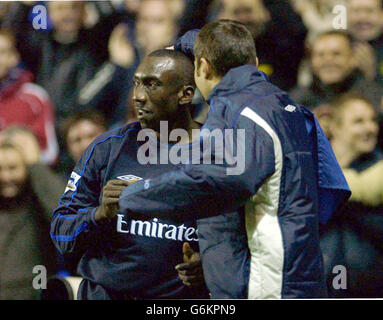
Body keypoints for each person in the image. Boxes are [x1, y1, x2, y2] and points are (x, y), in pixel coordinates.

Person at [118, 20, 351, 299]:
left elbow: (209, 183)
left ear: (203, 67)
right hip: (298, 273)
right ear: (253, 62)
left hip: (270, 286)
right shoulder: (282, 105)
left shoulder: (240, 114)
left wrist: (134, 194)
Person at [50, 49, 208, 300]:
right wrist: (99, 215)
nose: (138, 96)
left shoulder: (217, 154)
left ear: (186, 94)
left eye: (152, 85)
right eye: (136, 83)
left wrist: (211, 267)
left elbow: (244, 238)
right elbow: (61, 233)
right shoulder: (107, 148)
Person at [320, 94, 383, 297]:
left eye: (373, 120)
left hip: (369, 288)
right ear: (335, 127)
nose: (370, 128)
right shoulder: (312, 163)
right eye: (358, 121)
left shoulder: (377, 168)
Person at [0, 126, 66, 299]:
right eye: (0, 169)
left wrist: (36, 165)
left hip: (33, 293)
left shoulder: (38, 199)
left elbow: (63, 214)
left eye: (13, 168)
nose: (6, 177)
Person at [0, 29, 59, 165]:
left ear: (14, 57)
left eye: (2, 52)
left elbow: (49, 153)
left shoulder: (34, 96)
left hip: (27, 177)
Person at [290, 30, 382, 110]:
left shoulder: (374, 98)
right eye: (320, 55)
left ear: (353, 59)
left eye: (336, 54)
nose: (328, 60)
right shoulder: (295, 101)